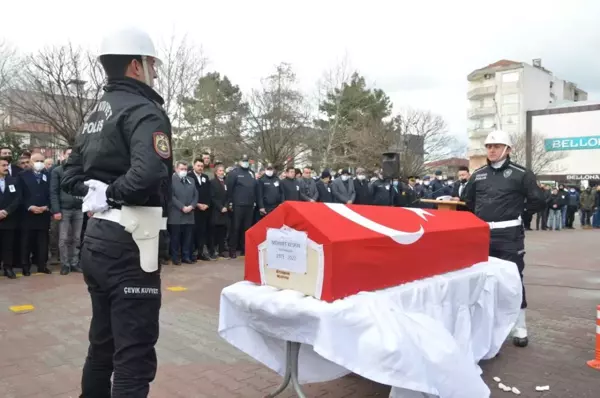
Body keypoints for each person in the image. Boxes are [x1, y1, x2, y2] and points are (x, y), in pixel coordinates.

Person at [61, 27, 173, 397]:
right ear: (135, 66)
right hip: (132, 241)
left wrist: (98, 192)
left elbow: (70, 175)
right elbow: (150, 172)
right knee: (134, 356)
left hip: (98, 242)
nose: (155, 70)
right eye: (151, 63)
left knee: (103, 346)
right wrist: (112, 194)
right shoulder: (144, 110)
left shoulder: (95, 114)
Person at [464, 130, 545, 348]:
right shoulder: (478, 174)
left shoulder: (522, 174)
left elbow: (538, 200)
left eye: (497, 146)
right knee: (483, 279)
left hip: (509, 235)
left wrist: (520, 213)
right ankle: (487, 327)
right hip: (482, 235)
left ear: (508, 149)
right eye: (489, 147)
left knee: (513, 278)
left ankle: (519, 326)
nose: (492, 150)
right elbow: (468, 200)